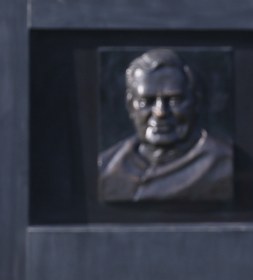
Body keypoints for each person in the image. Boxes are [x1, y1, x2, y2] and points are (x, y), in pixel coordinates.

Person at [98, 48, 233, 202]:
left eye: (174, 100)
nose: (160, 112)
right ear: (130, 105)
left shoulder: (222, 163)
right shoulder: (108, 165)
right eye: (146, 102)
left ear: (195, 102)